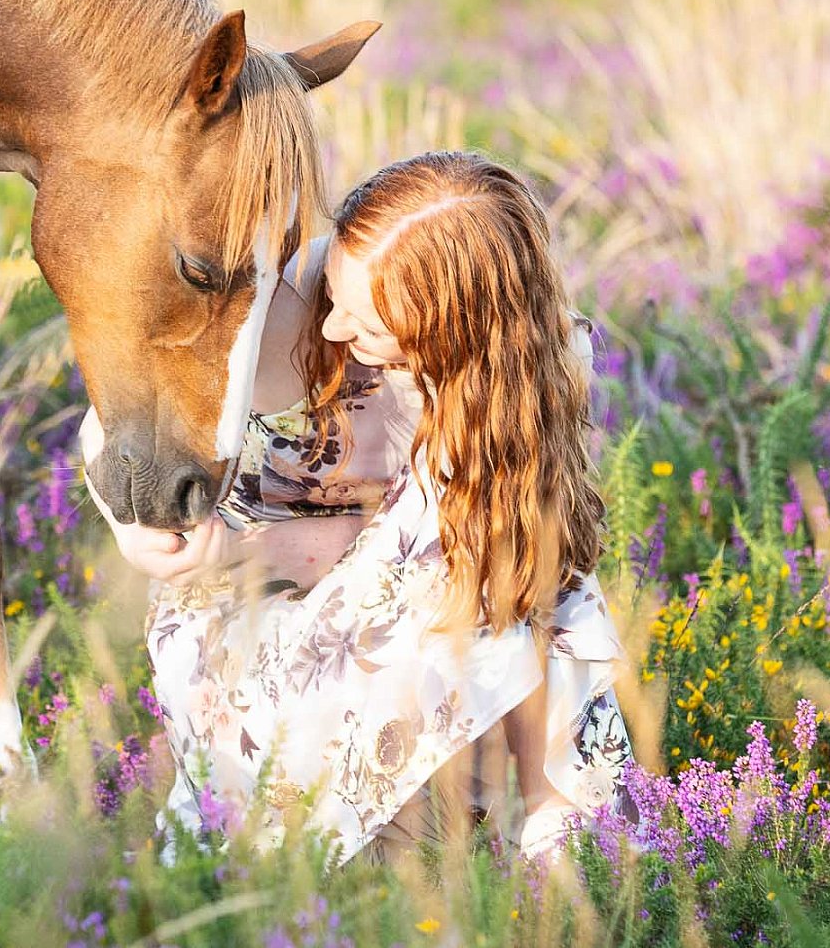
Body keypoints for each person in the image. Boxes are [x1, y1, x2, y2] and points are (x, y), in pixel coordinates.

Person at [81, 151, 633, 864]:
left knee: (526, 553)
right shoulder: (267, 310)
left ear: (460, 328)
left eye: (368, 322)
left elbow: (503, 561)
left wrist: (360, 541)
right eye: (335, 295)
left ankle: (559, 832)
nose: (336, 328)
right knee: (483, 543)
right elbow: (107, 425)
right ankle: (536, 838)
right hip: (248, 613)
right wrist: (136, 532)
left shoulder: (527, 371)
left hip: (412, 603)